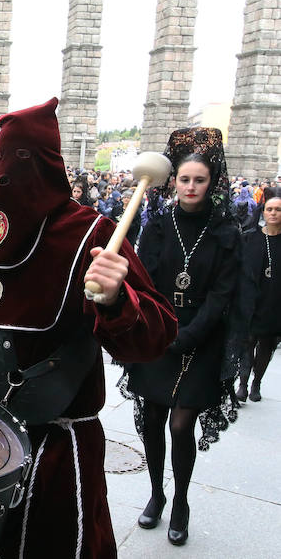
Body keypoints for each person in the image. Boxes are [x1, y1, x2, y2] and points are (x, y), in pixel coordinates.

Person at [0, 98, 177, 558]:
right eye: (1, 160)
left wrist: (117, 300)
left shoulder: (93, 235)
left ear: (50, 164)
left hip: (55, 446)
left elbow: (156, 335)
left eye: (24, 159)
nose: (8, 174)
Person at [126, 128, 239, 547]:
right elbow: (147, 281)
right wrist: (158, 328)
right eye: (184, 179)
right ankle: (156, 493)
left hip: (201, 337)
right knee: (153, 419)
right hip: (160, 330)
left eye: (199, 180)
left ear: (213, 182)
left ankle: (181, 501)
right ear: (173, 181)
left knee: (181, 423)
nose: (190, 187)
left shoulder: (226, 231)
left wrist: (189, 335)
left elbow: (222, 294)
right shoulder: (157, 225)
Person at [235, 188, 281, 402]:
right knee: (247, 342)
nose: (273, 213)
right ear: (263, 211)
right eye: (269, 209)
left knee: (266, 344)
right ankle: (243, 384)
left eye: (278, 210)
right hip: (251, 300)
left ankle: (257, 382)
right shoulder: (249, 237)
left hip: (275, 302)